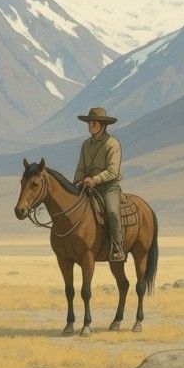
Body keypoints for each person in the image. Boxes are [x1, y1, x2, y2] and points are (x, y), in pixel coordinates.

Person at [74, 107, 125, 262]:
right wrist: (77, 181)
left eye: (94, 123)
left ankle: (118, 248)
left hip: (108, 187)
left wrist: (95, 179)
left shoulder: (112, 144)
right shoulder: (86, 145)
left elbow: (113, 171)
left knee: (112, 212)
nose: (91, 125)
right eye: (90, 122)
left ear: (103, 125)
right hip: (87, 186)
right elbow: (81, 167)